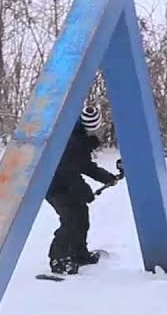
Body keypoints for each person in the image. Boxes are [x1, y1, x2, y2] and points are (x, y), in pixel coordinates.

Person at [45, 104, 120, 275]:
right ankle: (59, 259)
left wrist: (107, 177)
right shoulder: (72, 141)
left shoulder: (79, 138)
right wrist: (84, 192)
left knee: (81, 216)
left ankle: (79, 253)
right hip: (54, 185)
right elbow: (67, 171)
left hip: (64, 183)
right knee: (70, 219)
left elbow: (85, 165)